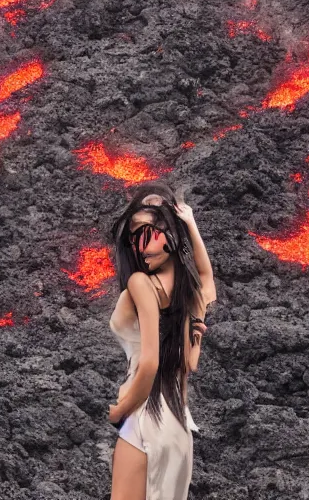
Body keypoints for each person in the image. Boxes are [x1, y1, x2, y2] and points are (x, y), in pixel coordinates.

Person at [107, 181, 217, 500]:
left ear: (170, 233)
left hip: (144, 422)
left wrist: (119, 411)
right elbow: (207, 277)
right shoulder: (191, 296)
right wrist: (191, 222)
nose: (140, 248)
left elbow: (150, 363)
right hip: (179, 431)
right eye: (134, 239)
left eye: (147, 234)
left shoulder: (143, 284)